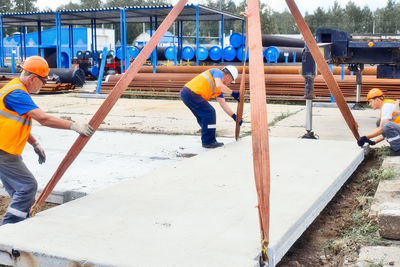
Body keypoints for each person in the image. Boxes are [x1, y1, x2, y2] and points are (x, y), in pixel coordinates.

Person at [0, 56, 94, 225]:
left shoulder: (15, 87)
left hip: (6, 147)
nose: (43, 84)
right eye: (42, 81)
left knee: (18, 190)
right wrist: (73, 125)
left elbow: (12, 123)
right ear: (32, 78)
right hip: (3, 150)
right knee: (27, 186)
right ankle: (9, 228)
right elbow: (43, 119)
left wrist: (34, 143)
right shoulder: (17, 94)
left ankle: (17, 223)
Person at [180, 66, 242, 148]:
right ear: (228, 76)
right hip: (191, 93)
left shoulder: (219, 89)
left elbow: (223, 104)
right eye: (231, 81)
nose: (229, 83)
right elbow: (219, 85)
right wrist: (233, 93)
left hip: (189, 94)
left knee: (205, 117)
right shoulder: (217, 72)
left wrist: (234, 117)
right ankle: (208, 141)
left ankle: (208, 137)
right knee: (210, 112)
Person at [357, 88, 400, 156]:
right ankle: (396, 147)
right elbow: (387, 130)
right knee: (380, 122)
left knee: (385, 125)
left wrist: (365, 137)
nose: (369, 104)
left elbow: (383, 128)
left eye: (370, 101)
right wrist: (374, 142)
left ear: (377, 100)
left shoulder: (386, 105)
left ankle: (398, 149)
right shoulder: (386, 105)